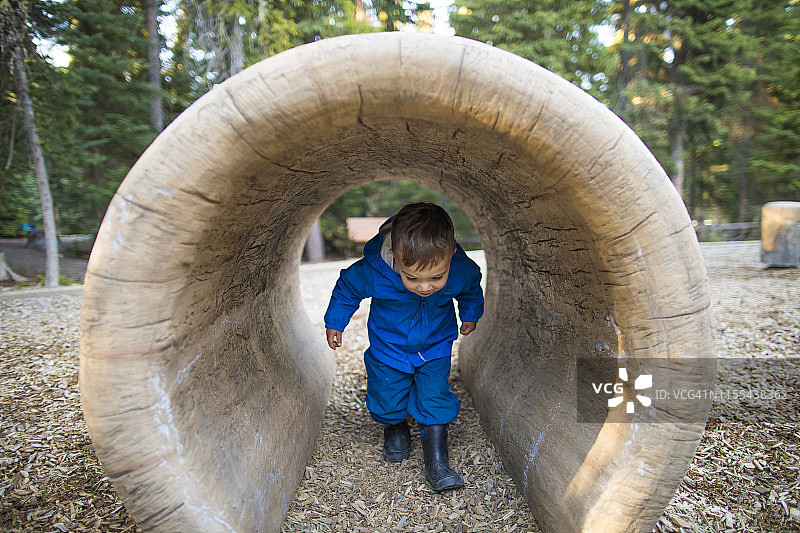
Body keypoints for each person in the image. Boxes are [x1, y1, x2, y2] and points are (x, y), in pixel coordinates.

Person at [324, 202, 484, 491]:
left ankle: (437, 460)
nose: (425, 287)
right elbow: (347, 287)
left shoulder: (460, 268)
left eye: (437, 277)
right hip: (390, 346)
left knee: (434, 395)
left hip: (435, 344)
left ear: (450, 256)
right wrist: (336, 321)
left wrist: (471, 313)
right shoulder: (376, 270)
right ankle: (394, 426)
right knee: (387, 396)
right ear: (396, 258)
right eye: (412, 278)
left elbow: (472, 286)